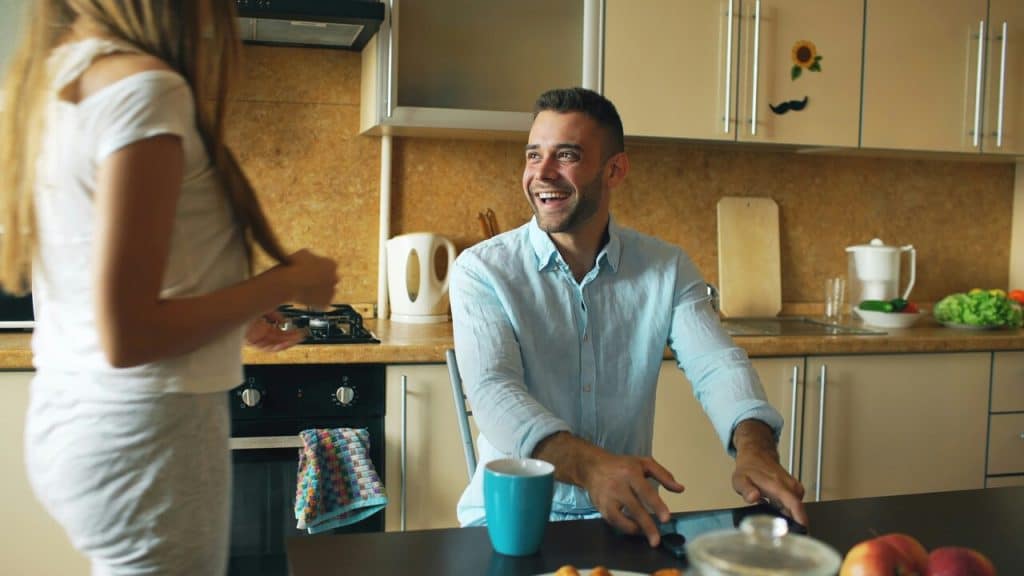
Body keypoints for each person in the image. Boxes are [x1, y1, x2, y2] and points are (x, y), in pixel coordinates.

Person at [0, 1, 339, 574]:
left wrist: (234, 314)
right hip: (147, 436)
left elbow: (123, 271)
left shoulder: (51, 80)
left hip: (79, 418)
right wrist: (289, 280)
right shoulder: (145, 89)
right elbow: (129, 334)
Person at [450, 87, 807, 548]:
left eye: (567, 155)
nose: (541, 174)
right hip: (510, 522)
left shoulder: (666, 267)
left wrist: (756, 448)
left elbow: (717, 364)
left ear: (614, 169)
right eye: (533, 155)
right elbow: (494, 389)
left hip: (625, 517)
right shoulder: (482, 270)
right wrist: (593, 466)